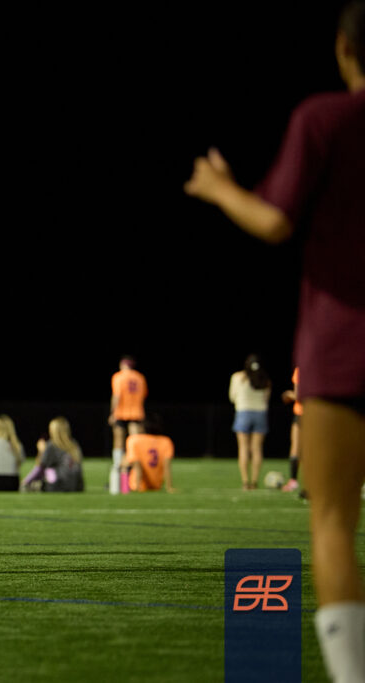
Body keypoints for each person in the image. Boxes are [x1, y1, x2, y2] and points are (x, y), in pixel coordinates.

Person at [184, 4, 365, 678]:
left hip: (344, 346)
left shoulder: (326, 118)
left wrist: (220, 188)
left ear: (344, 48)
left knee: (333, 522)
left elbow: (275, 220)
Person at [228, 354, 272, 490]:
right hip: (260, 413)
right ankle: (254, 482)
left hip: (243, 412)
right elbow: (266, 399)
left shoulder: (238, 377)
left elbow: (232, 397)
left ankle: (245, 482)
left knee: (243, 448)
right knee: (257, 449)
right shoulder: (265, 379)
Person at [108, 356, 147, 494]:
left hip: (121, 413)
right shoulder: (140, 377)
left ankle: (118, 472)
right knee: (135, 445)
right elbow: (143, 396)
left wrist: (112, 413)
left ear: (122, 365)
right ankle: (135, 476)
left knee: (118, 443)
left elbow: (117, 395)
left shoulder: (118, 376)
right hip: (136, 413)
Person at [22, 416, 85, 493]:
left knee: (48, 471)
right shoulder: (74, 445)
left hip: (58, 485)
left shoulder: (52, 445)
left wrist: (26, 482)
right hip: (76, 486)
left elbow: (40, 468)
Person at [122, 416, 174, 494]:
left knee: (124, 461)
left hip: (136, 484)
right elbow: (167, 467)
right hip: (156, 485)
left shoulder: (134, 440)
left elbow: (137, 465)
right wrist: (169, 487)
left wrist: (137, 486)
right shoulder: (166, 441)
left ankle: (124, 488)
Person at [280, 367, 302, 492]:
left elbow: (299, 395)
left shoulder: (300, 369)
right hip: (318, 412)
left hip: (302, 413)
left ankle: (293, 481)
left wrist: (288, 394)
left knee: (296, 448)